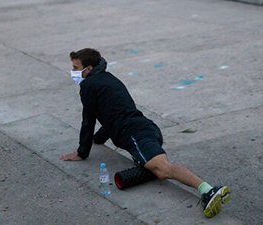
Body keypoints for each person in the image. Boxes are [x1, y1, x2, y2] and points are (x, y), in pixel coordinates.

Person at [60, 48, 231, 218]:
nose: (73, 71)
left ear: (88, 69)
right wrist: (98, 139)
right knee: (156, 167)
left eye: (75, 67)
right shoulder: (108, 78)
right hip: (147, 128)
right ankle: (208, 190)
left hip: (136, 135)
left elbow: (88, 120)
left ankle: (208, 190)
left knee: (163, 170)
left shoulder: (88, 85)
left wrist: (82, 153)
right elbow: (113, 113)